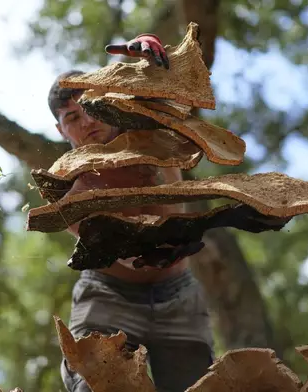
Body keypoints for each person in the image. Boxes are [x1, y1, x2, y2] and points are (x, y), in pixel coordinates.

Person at [47, 33, 215, 392]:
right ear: (59, 129)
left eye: (92, 106)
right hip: (108, 297)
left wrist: (152, 59)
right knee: (95, 384)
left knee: (200, 387)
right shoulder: (68, 189)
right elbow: (130, 254)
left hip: (180, 296)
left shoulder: (151, 127)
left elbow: (167, 86)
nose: (87, 121)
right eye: (72, 117)